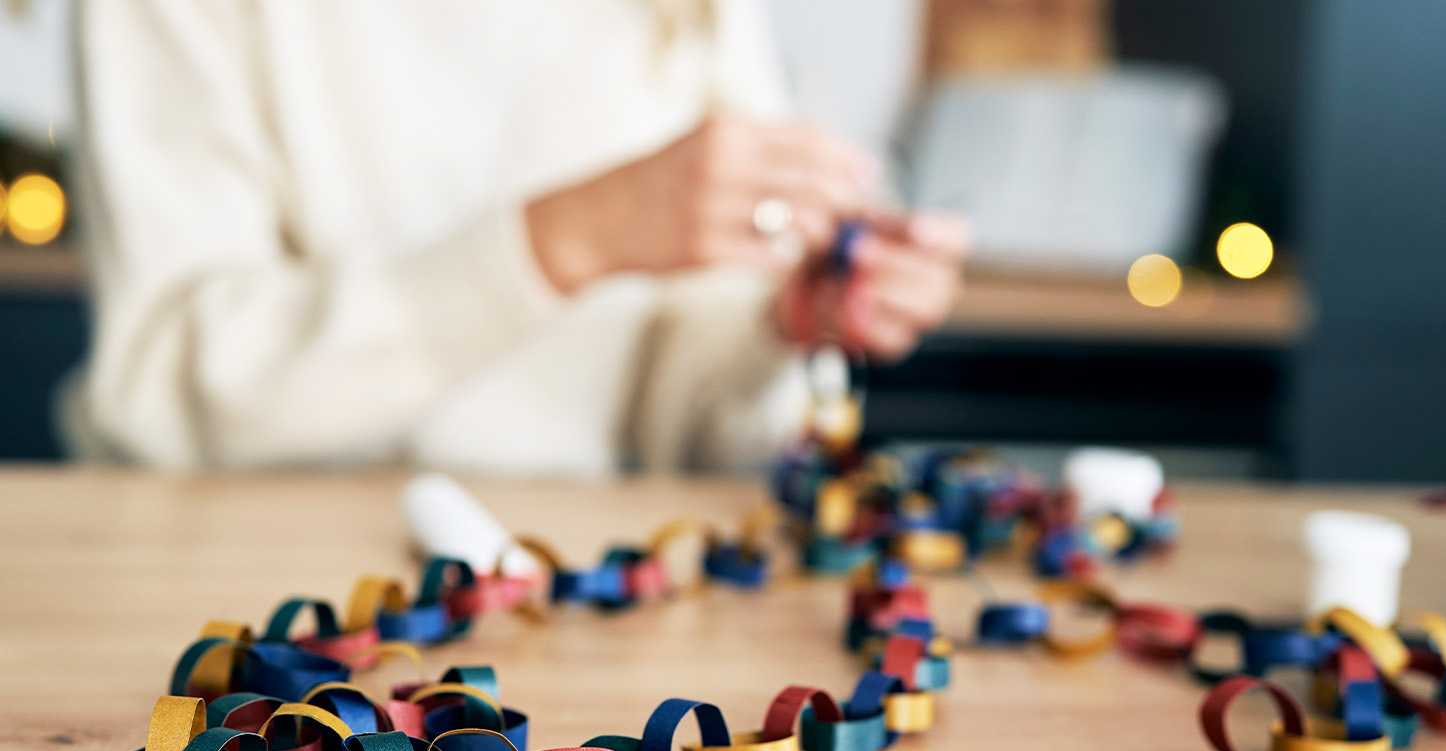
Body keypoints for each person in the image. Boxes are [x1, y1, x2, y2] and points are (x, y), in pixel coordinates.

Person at [70, 0, 968, 475]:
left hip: (566, 596)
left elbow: (683, 426)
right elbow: (166, 392)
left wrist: (776, 325)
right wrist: (562, 242)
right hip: (226, 607)